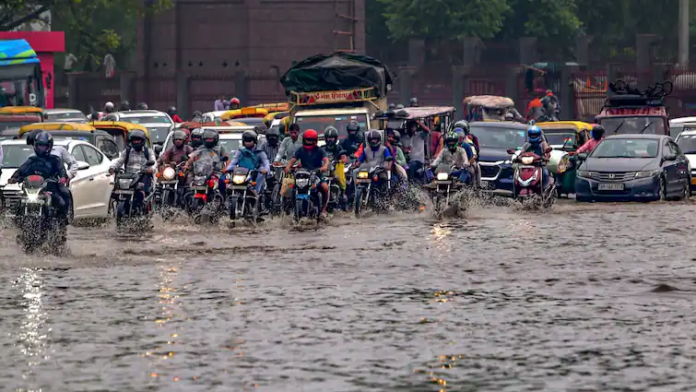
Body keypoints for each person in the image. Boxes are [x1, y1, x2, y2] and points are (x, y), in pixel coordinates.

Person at [8, 132, 69, 224]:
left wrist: (63, 177)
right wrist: (14, 178)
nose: (41, 148)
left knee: (62, 201)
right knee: (18, 204)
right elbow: (21, 170)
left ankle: (61, 225)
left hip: (49, 189)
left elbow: (61, 170)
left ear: (49, 146)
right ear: (35, 146)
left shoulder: (55, 160)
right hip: (32, 190)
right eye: (40, 146)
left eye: (44, 146)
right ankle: (18, 223)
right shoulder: (31, 160)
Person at [26, 129, 78, 212]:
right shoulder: (31, 156)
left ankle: (65, 216)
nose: (39, 147)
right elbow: (26, 168)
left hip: (54, 182)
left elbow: (73, 164)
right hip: (37, 184)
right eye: (36, 144)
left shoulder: (59, 151)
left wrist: (66, 176)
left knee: (65, 193)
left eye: (42, 144)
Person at [284, 129, 330, 217]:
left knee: (325, 187)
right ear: (304, 140)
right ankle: (293, 209)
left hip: (316, 174)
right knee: (291, 188)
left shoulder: (319, 150)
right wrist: (288, 167)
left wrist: (324, 166)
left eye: (311, 140)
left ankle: (323, 209)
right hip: (302, 175)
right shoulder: (300, 150)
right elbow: (293, 160)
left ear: (315, 141)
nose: (309, 142)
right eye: (307, 140)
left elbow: (326, 160)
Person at [109, 130, 156, 212]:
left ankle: (144, 207)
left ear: (142, 141)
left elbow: (153, 162)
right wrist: (113, 168)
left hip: (143, 176)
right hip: (129, 177)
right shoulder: (127, 151)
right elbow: (119, 161)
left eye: (138, 140)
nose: (136, 142)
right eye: (134, 140)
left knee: (141, 193)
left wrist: (151, 169)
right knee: (116, 190)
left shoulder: (148, 151)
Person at [226, 131, 270, 196]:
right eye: (246, 141)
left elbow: (266, 162)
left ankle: (256, 191)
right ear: (243, 142)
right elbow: (234, 161)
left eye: (250, 141)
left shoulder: (260, 152)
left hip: (254, 172)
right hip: (242, 173)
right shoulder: (240, 151)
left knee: (261, 174)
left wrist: (266, 170)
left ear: (254, 141)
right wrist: (227, 169)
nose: (248, 143)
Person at [518, 125, 552, 189]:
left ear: (539, 134)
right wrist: (518, 158)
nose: (533, 136)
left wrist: (546, 157)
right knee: (517, 173)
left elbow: (548, 152)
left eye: (535, 134)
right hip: (527, 165)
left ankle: (545, 188)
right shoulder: (527, 144)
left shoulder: (543, 143)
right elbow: (521, 153)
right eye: (531, 134)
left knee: (545, 173)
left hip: (540, 164)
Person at [321, 127, 348, 202]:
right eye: (329, 138)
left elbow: (344, 157)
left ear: (335, 138)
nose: (330, 140)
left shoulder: (339, 147)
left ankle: (343, 193)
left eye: (332, 138)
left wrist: (341, 160)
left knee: (339, 177)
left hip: (335, 170)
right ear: (326, 138)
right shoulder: (322, 148)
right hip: (324, 170)